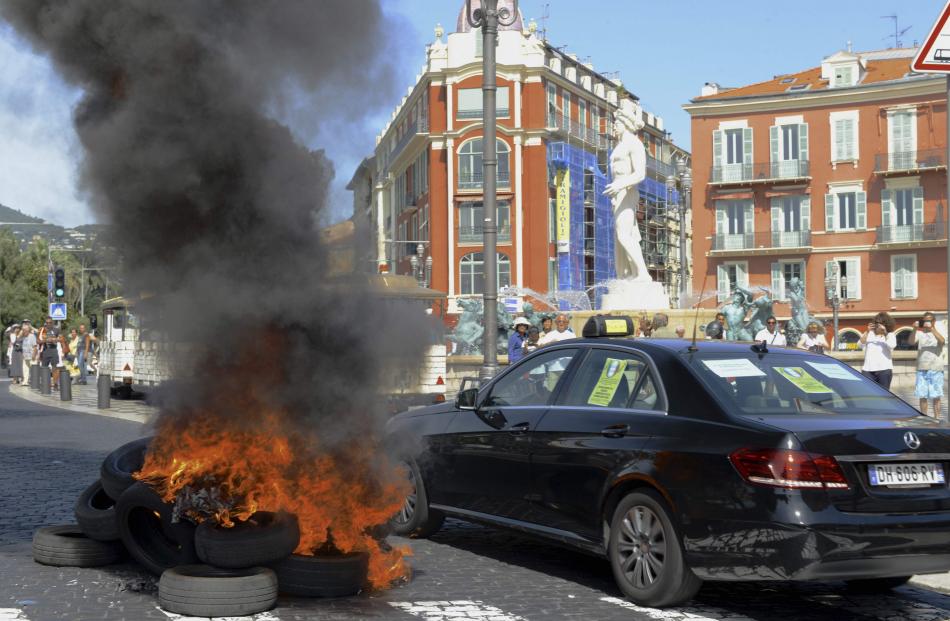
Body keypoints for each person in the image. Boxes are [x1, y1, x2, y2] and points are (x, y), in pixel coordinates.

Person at [907, 312, 946, 418]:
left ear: (933, 321)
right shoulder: (920, 333)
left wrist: (932, 329)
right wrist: (914, 329)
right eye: (925, 320)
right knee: (922, 395)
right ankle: (924, 418)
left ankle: (937, 418)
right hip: (922, 368)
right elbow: (910, 342)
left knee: (936, 395)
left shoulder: (940, 330)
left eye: (929, 320)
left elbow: (942, 341)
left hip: (936, 368)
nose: (926, 322)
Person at [860, 312, 897, 389]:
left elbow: (892, 345)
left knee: (884, 396)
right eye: (876, 323)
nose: (879, 325)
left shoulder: (890, 335)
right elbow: (860, 344)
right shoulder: (869, 333)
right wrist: (867, 331)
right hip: (868, 370)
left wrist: (885, 333)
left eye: (881, 323)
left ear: (886, 324)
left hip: (884, 369)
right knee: (868, 394)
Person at [36, 318, 62, 389]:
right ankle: (45, 384)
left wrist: (54, 339)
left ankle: (55, 384)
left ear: (52, 323)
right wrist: (45, 340)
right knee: (44, 368)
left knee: (54, 368)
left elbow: (61, 339)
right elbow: (38, 341)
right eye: (47, 323)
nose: (48, 324)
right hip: (45, 351)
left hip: (53, 350)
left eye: (50, 323)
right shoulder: (41, 330)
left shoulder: (56, 330)